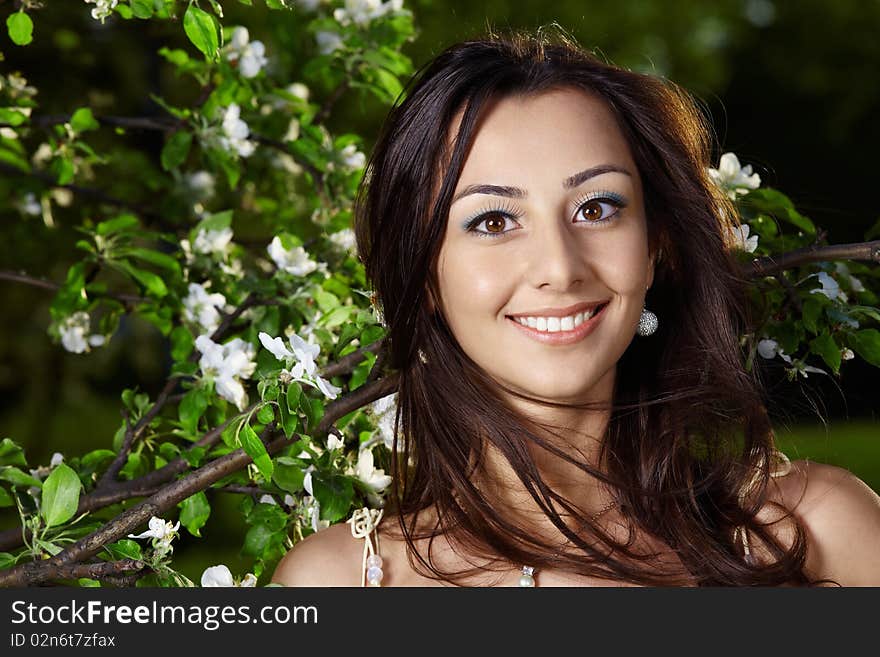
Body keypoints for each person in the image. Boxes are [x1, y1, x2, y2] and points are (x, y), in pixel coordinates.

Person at [272, 30, 880, 587]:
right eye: (492, 220)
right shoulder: (340, 584)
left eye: (597, 208)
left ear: (654, 247)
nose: (560, 268)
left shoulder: (821, 532)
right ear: (423, 275)